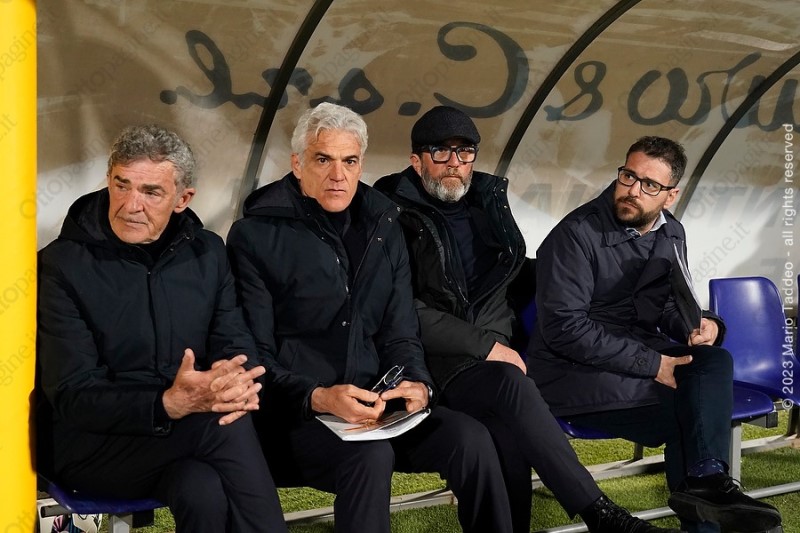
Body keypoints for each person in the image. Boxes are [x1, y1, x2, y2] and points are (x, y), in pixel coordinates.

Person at [374, 105, 683, 533]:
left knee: (506, 438)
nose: (454, 163)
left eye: (464, 152)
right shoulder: (390, 215)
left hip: (494, 355)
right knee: (509, 387)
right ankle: (599, 512)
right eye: (440, 152)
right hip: (435, 358)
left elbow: (514, 273)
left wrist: (573, 276)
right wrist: (487, 347)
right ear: (416, 160)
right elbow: (399, 307)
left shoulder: (487, 202)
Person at [227, 102, 514, 533]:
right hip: (296, 415)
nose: (337, 175)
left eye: (349, 161)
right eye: (323, 159)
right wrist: (318, 397)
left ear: (361, 164)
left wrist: (417, 383)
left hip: (377, 408)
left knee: (471, 438)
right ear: (297, 163)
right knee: (370, 454)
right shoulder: (255, 235)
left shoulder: (383, 222)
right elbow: (254, 357)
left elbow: (401, 329)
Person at [37, 124, 287, 533]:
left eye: (151, 192)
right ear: (109, 179)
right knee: (221, 425)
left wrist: (233, 382)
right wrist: (167, 404)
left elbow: (234, 343)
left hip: (179, 434)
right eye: (122, 185)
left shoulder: (208, 253)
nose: (130, 205)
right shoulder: (61, 265)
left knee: (201, 488)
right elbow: (73, 395)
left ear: (182, 199)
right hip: (89, 445)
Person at [528, 136, 783, 533]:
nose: (633, 190)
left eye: (649, 184)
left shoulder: (672, 232)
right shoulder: (574, 235)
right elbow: (565, 329)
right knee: (692, 413)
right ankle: (708, 487)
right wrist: (653, 364)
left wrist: (699, 325)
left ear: (670, 195)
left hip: (633, 357)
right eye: (628, 176)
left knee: (715, 359)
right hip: (570, 374)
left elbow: (667, 304)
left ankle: (706, 481)